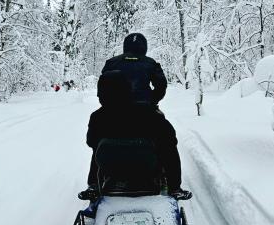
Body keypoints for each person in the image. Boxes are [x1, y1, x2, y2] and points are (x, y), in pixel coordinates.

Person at [79, 71, 191, 201]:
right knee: (169, 148)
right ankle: (175, 188)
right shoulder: (150, 113)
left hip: (111, 168)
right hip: (147, 166)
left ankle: (93, 186)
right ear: (128, 89)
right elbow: (170, 139)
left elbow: (91, 142)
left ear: (100, 93)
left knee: (97, 148)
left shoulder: (97, 117)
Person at [101, 33, 167, 107]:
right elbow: (162, 85)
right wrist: (151, 101)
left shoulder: (111, 62)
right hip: (144, 108)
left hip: (115, 107)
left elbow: (103, 85)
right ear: (144, 46)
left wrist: (109, 103)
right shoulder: (150, 62)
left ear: (125, 45)